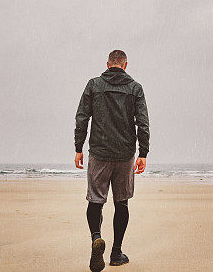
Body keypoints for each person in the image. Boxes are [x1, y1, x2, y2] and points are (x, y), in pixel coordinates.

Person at [74, 49, 149, 271]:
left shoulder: (94, 85)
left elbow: (82, 117)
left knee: (95, 200)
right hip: (125, 154)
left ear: (108, 65)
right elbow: (142, 123)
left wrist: (79, 147)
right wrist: (143, 152)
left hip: (99, 152)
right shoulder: (135, 88)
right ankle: (116, 253)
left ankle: (96, 237)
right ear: (125, 66)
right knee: (121, 202)